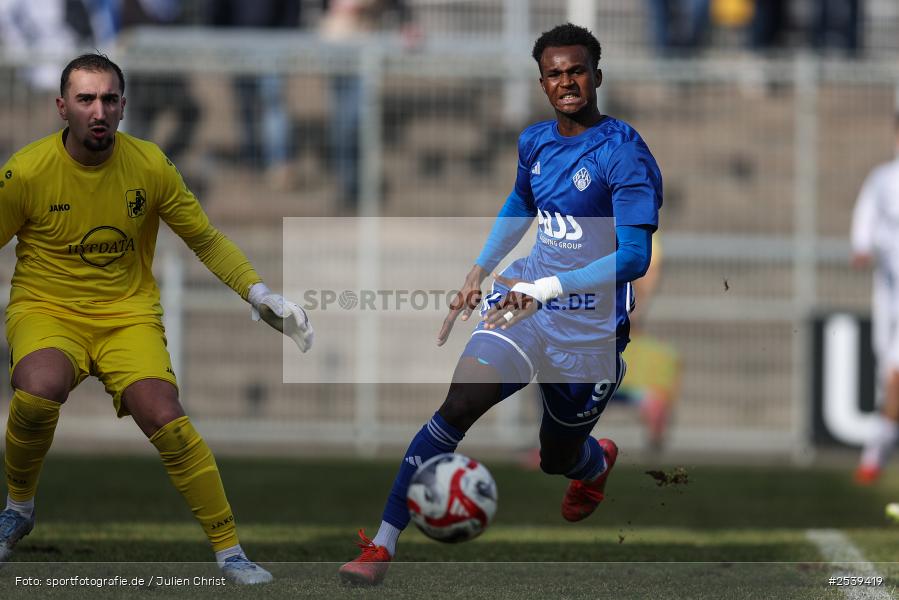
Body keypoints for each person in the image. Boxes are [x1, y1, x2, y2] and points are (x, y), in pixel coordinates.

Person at [338, 23, 662, 586]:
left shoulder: (624, 152)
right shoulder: (535, 142)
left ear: (597, 76)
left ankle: (594, 463)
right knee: (459, 404)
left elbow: (633, 258)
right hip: (521, 304)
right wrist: (480, 269)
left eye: (577, 70)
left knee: (557, 457)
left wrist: (546, 290)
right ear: (542, 83)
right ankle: (382, 546)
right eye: (555, 73)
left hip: (588, 331)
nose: (567, 82)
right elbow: (521, 199)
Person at [0, 53, 314, 583]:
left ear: (123, 106)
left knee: (165, 416)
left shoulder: (149, 164)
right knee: (39, 387)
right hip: (47, 308)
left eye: (108, 99)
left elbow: (205, 239)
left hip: (127, 315)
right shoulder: (24, 172)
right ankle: (18, 508)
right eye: (85, 99)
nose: (97, 110)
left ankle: (230, 551)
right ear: (62, 108)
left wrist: (257, 291)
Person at [851, 114, 899, 485]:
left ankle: (872, 455)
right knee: (887, 368)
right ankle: (880, 450)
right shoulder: (883, 178)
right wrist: (863, 246)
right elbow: (866, 219)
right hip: (888, 290)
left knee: (896, 373)